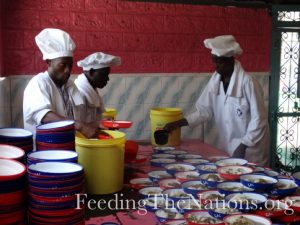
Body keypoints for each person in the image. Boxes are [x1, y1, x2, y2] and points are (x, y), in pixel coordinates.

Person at [164, 35, 270, 167]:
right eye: (214, 62)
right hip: (229, 148)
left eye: (219, 62)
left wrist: (243, 145)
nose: (216, 67)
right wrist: (177, 124)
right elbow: (204, 111)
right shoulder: (215, 81)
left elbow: (259, 119)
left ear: (230, 60)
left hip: (250, 150)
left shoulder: (248, 83)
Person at [23, 28, 98, 138]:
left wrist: (94, 124)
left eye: (70, 65)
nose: (67, 70)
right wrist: (80, 126)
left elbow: (73, 119)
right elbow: (43, 115)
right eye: (62, 65)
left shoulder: (69, 86)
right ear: (49, 62)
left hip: (67, 148)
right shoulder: (39, 83)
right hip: (45, 151)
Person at [74, 52, 121, 125]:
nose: (107, 79)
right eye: (104, 75)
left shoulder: (91, 90)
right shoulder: (79, 94)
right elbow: (78, 126)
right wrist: (100, 123)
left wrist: (103, 121)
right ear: (91, 72)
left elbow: (90, 120)